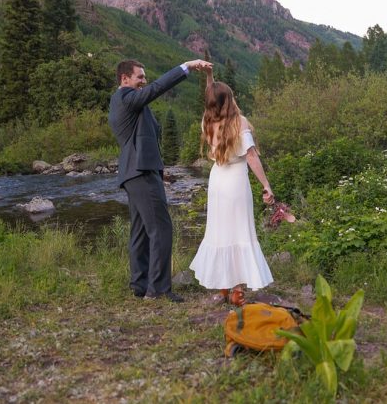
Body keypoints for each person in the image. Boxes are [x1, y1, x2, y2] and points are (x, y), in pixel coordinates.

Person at [109, 58, 212, 303]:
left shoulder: (127, 102)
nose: (144, 81)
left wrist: (160, 169)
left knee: (141, 230)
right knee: (161, 228)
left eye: (144, 77)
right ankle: (157, 290)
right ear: (125, 79)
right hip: (141, 172)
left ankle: (141, 284)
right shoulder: (125, 98)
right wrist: (185, 67)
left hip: (137, 171)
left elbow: (144, 137)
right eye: (140, 77)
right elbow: (157, 89)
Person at [189, 67, 275, 306]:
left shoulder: (207, 121)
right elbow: (251, 157)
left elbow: (211, 95)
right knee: (239, 232)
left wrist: (209, 78)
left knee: (220, 232)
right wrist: (267, 186)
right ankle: (237, 291)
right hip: (236, 181)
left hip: (218, 181)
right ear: (229, 100)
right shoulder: (240, 122)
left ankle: (225, 287)